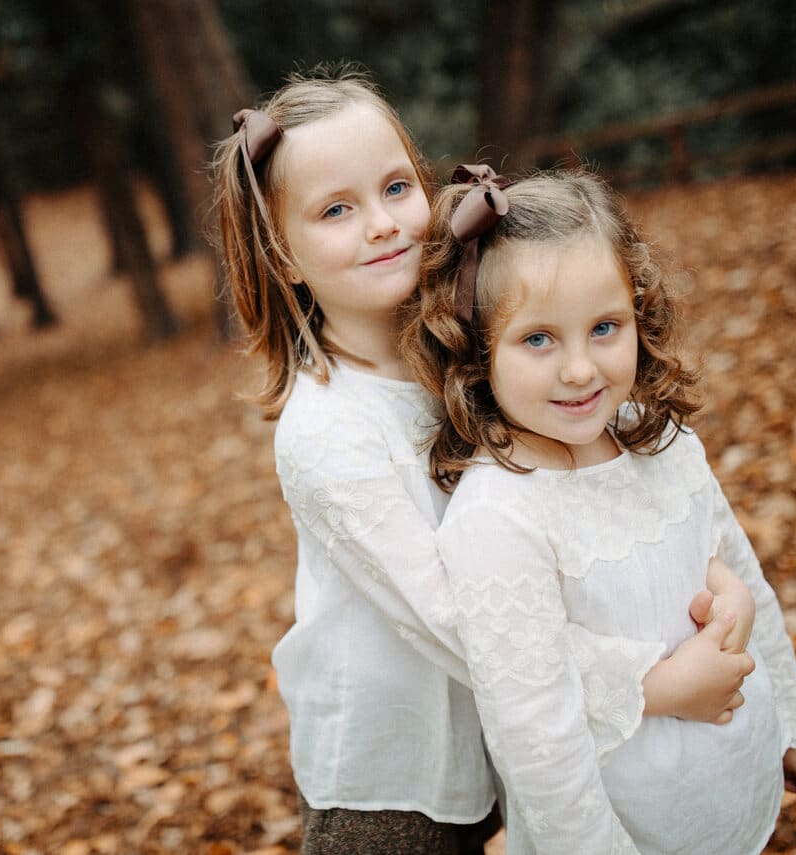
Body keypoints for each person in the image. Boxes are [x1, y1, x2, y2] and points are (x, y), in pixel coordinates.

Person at [212, 67, 758, 855]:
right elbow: (459, 623)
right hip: (396, 782)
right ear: (284, 254)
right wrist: (656, 682)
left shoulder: (464, 352)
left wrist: (714, 577)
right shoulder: (327, 433)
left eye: (396, 186)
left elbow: (584, 498)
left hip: (511, 731)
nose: (382, 223)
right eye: (336, 209)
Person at [401, 165, 796, 854]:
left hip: (731, 782)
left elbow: (743, 575)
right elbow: (539, 745)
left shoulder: (661, 439)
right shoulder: (498, 514)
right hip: (625, 828)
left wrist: (794, 723)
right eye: (538, 338)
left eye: (604, 326)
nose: (580, 369)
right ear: (479, 349)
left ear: (639, 313)